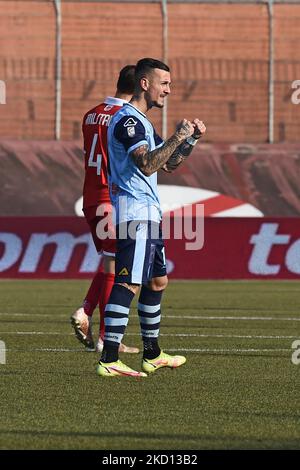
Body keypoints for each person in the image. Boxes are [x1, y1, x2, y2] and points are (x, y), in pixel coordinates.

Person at [97, 57, 206, 377]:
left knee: (158, 281)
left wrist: (191, 139)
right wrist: (177, 135)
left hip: (149, 213)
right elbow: (146, 164)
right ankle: (109, 358)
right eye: (165, 84)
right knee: (128, 282)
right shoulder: (127, 121)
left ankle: (152, 354)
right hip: (135, 213)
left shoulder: (143, 122)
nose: (169, 91)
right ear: (145, 84)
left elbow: (168, 164)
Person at [71, 65, 139, 354]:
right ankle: (106, 337)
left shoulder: (91, 114)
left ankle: (87, 311)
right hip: (112, 197)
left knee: (110, 262)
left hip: (90, 195)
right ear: (139, 88)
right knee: (117, 266)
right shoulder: (125, 117)